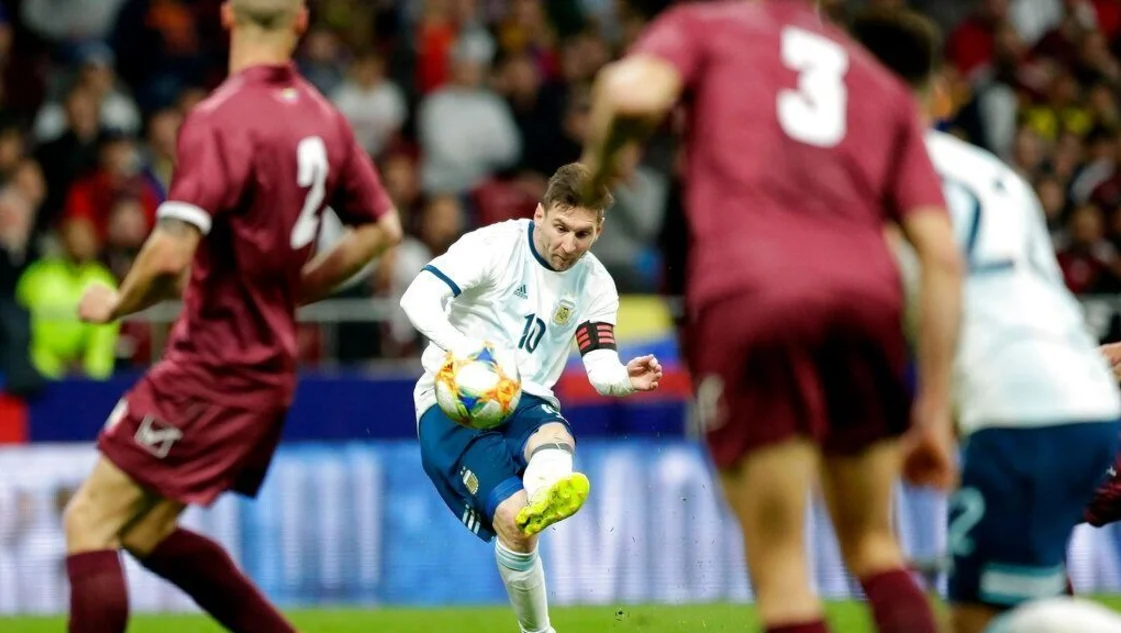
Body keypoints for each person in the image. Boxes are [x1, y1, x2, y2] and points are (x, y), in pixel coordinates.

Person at [582, 3, 964, 633]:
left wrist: (599, 170)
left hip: (755, 293)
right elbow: (942, 258)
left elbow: (629, 94)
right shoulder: (879, 82)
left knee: (783, 569)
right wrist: (935, 411)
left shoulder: (705, 27)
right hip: (866, 299)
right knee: (876, 546)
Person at [64, 1, 402, 632]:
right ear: (300, 22)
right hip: (268, 370)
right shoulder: (323, 118)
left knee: (89, 522)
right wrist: (289, 293)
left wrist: (115, 303)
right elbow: (382, 230)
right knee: (142, 530)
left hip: (214, 365)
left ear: (225, 15)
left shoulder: (220, 118)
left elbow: (170, 255)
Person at [851, 8, 1121, 633]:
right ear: (939, 91)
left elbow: (927, 284)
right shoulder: (993, 173)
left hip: (1018, 418)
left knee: (981, 619)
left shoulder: (881, 176)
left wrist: (927, 413)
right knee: (1019, 603)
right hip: (1082, 404)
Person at [399, 163, 662, 633]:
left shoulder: (595, 283)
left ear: (599, 230)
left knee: (553, 432)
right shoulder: (494, 246)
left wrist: (624, 378)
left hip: (525, 396)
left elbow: (600, 367)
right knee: (516, 526)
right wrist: (469, 354)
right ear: (539, 214)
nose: (569, 245)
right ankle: (538, 627)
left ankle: (546, 492)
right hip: (454, 402)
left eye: (582, 234)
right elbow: (416, 299)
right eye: (560, 227)